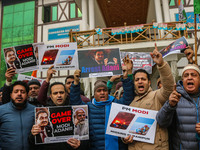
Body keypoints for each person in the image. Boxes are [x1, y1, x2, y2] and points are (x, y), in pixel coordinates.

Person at [70, 56, 135, 150]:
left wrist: (126, 76)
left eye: (104, 90)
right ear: (94, 94)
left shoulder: (116, 104)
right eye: (99, 90)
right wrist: (76, 82)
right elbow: (75, 102)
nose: (102, 92)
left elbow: (128, 97)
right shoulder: (89, 107)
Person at [123, 44, 174, 150]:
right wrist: (124, 138)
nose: (140, 81)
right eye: (137, 80)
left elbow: (169, 88)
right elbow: (124, 128)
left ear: (149, 82)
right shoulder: (130, 101)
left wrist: (161, 65)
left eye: (143, 79)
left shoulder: (157, 96)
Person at [30, 82, 88, 150]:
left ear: (66, 94)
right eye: (55, 93)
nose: (59, 95)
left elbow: (87, 141)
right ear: (50, 96)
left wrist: (80, 145)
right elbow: (32, 144)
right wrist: (33, 135)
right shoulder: (43, 115)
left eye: (61, 92)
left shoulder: (75, 112)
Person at [156, 64, 200, 150]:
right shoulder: (175, 97)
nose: (190, 78)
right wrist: (170, 105)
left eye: (194, 75)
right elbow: (161, 122)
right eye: (186, 75)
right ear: (182, 80)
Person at [0, 81, 35, 150]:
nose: (19, 94)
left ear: (27, 95)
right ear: (11, 95)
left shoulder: (35, 110)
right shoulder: (1, 110)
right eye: (16, 91)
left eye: (22, 92)